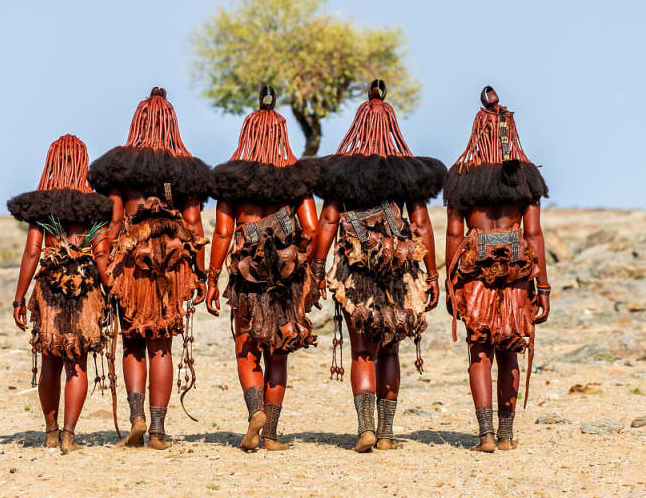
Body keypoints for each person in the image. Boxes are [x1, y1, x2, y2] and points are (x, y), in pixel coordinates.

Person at [310, 80, 446, 452]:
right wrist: (432, 276)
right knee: (390, 349)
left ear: (357, 125)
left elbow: (327, 223)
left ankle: (365, 428)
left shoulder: (339, 173)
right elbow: (420, 225)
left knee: (362, 351)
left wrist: (318, 269)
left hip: (354, 273)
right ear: (391, 126)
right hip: (399, 275)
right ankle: (386, 434)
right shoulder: (408, 173)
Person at [89, 87, 210, 450]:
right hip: (171, 269)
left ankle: (136, 417)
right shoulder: (187, 171)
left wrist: (105, 270)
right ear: (172, 123)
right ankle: (157, 430)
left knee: (133, 343)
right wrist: (202, 275)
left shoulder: (119, 169)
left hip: (131, 265)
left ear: (138, 122)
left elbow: (111, 225)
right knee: (162, 346)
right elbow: (195, 227)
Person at [207, 86, 320, 452]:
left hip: (245, 271)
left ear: (247, 134)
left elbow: (223, 232)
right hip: (287, 273)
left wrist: (211, 279)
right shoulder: (296, 178)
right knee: (279, 350)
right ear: (282, 134)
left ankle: (254, 410)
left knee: (246, 347)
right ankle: (270, 433)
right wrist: (312, 275)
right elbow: (314, 229)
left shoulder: (231, 179)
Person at [444, 85, 550, 452]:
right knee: (510, 349)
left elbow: (454, 234)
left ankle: (485, 435)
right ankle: (506, 435)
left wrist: (449, 284)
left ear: (477, 131)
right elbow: (533, 235)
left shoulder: (460, 175)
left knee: (480, 351)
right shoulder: (526, 177)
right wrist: (545, 289)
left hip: (474, 272)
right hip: (518, 272)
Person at [8, 134, 114, 453]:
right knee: (76, 362)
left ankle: (51, 432)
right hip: (85, 289)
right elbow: (102, 256)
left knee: (50, 362)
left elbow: (31, 253)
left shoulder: (42, 206)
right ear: (83, 164)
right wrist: (111, 295)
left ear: (51, 163)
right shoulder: (96, 207)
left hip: (48, 290)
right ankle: (70, 435)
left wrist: (18, 299)